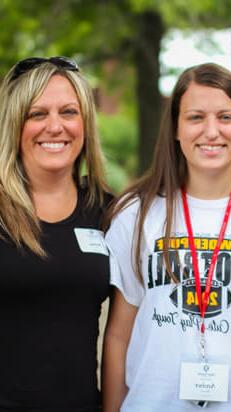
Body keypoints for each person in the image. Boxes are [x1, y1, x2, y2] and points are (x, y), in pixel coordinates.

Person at [102, 62, 231, 412]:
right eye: (196, 117)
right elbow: (119, 337)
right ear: (175, 128)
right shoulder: (136, 215)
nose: (211, 132)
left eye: (225, 118)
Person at [0, 57, 111, 411]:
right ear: (15, 124)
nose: (55, 126)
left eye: (68, 112)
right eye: (37, 114)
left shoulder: (109, 212)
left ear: (85, 124)